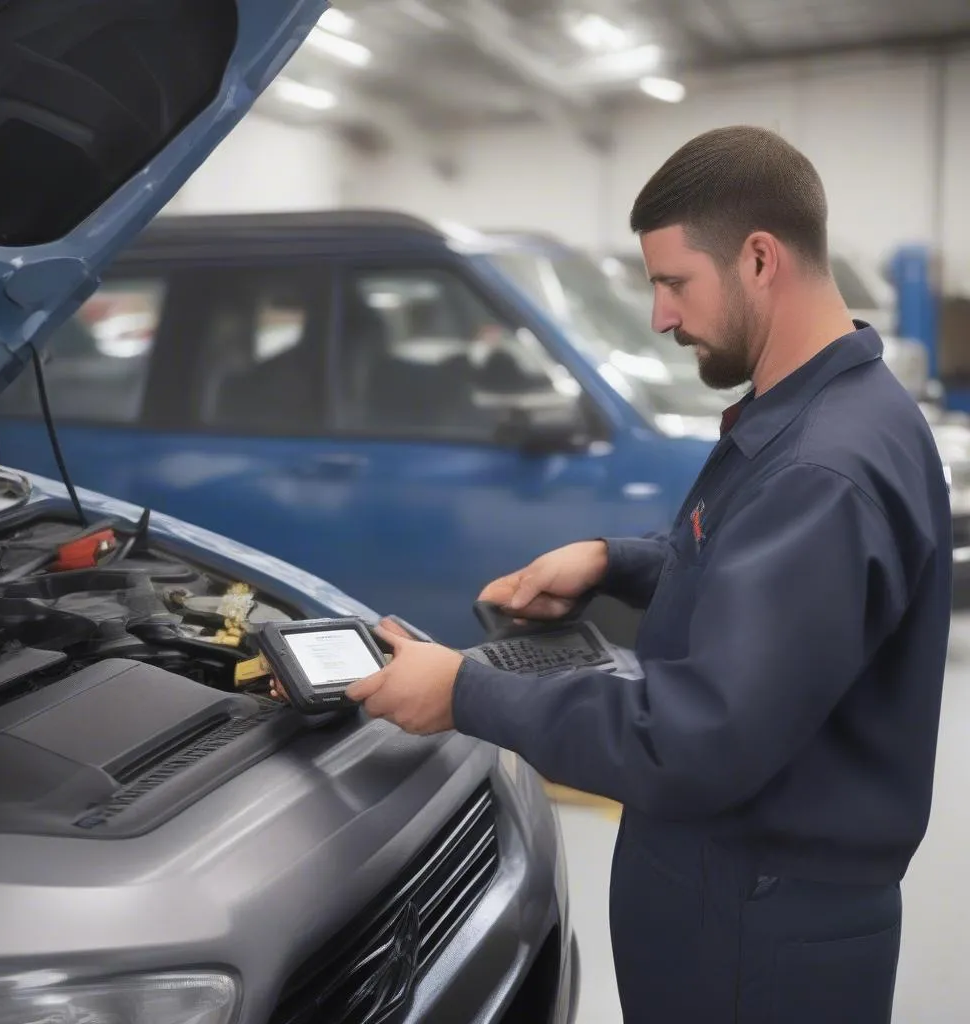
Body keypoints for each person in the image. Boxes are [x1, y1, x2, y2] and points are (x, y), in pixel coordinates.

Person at [271, 126, 953, 1023]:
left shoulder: (821, 469)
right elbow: (769, 583)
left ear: (758, 259)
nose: (661, 315)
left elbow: (692, 739)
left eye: (673, 282)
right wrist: (615, 562)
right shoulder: (832, 411)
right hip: (751, 901)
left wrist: (466, 693)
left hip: (754, 933)